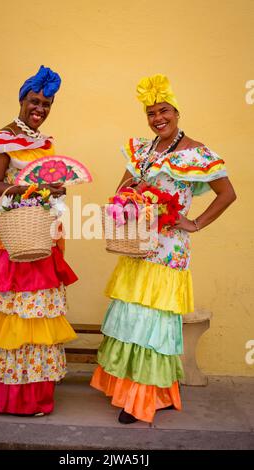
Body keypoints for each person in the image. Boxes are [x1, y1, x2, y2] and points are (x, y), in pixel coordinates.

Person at [90, 73, 237, 424]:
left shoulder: (197, 153)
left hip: (169, 251)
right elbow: (121, 191)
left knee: (153, 323)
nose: (158, 118)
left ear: (177, 111)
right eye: (151, 113)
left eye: (164, 110)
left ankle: (141, 398)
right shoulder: (143, 150)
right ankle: (160, 392)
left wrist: (195, 222)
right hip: (138, 245)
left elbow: (228, 194)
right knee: (132, 319)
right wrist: (133, 189)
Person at [0, 65, 78, 416]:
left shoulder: (42, 142)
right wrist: (36, 189)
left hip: (40, 240)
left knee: (37, 321)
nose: (41, 109)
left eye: (47, 104)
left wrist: (53, 188)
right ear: (22, 99)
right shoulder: (1, 139)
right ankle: (10, 399)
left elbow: (42, 181)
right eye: (35, 101)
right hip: (11, 246)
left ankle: (36, 398)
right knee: (15, 319)